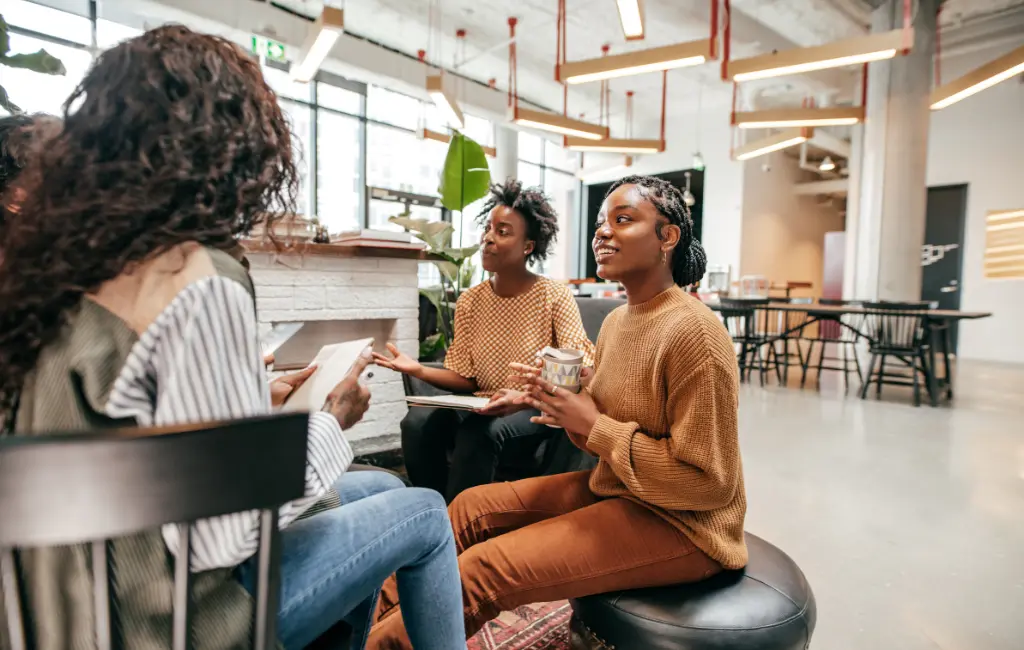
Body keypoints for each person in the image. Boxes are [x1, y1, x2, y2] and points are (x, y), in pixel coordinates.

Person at [0, 26, 464, 650]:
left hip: (67, 604)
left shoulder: (63, 271)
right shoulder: (193, 275)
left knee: (381, 487)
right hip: (170, 622)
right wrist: (328, 423)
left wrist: (254, 396)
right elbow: (224, 533)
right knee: (426, 510)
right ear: (233, 148)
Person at [368, 175, 746, 649]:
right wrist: (563, 408)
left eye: (623, 220)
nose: (602, 233)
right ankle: (356, 624)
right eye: (600, 223)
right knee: (466, 508)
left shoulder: (695, 333)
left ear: (667, 236)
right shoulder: (617, 321)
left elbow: (710, 485)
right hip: (624, 490)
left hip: (685, 525)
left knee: (481, 572)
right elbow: (596, 436)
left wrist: (594, 423)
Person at [373, 179, 595, 502]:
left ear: (527, 247)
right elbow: (466, 378)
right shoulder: (471, 301)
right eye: (489, 229)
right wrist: (417, 370)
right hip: (484, 403)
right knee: (416, 423)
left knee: (480, 433)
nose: (488, 238)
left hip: (534, 407)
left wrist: (521, 397)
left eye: (503, 232)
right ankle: (430, 511)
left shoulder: (554, 295)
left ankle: (460, 530)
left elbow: (576, 370)